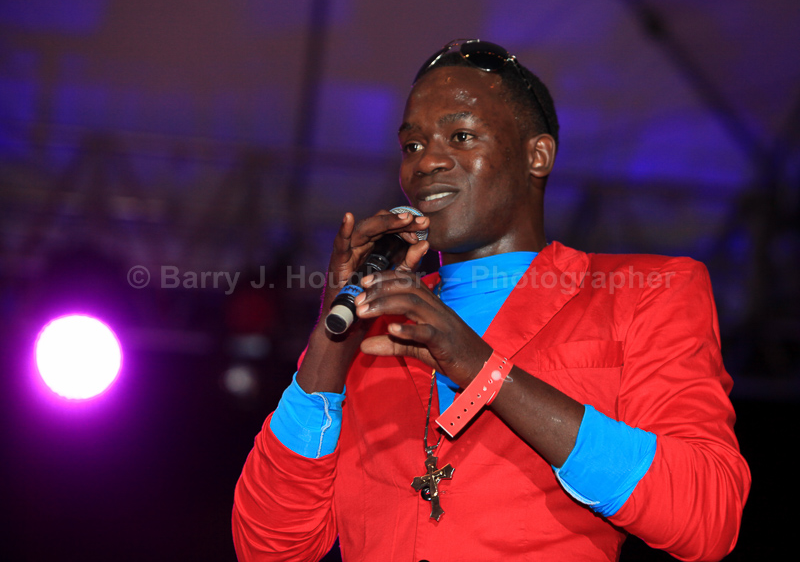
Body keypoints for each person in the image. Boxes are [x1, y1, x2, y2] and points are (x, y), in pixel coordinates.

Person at [232, 39, 750, 561]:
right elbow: (268, 549)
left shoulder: (646, 291)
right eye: (412, 145)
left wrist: (483, 370)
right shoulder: (373, 326)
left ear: (537, 155)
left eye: (460, 136)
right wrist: (332, 333)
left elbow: (706, 516)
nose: (427, 162)